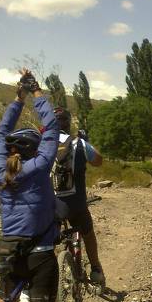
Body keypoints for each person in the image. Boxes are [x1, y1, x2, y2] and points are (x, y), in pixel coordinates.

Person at [0, 68, 59, 302]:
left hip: (9, 247)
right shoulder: (40, 166)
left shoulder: (0, 171)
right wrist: (36, 93)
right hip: (40, 253)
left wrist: (19, 97)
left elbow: (0, 132)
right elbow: (52, 128)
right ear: (33, 150)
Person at [52, 107, 105, 285]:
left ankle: (46, 279)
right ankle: (96, 268)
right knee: (88, 233)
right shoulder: (78, 143)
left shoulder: (42, 143)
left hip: (50, 205)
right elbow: (98, 160)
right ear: (68, 124)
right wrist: (85, 141)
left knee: (46, 242)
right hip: (76, 203)